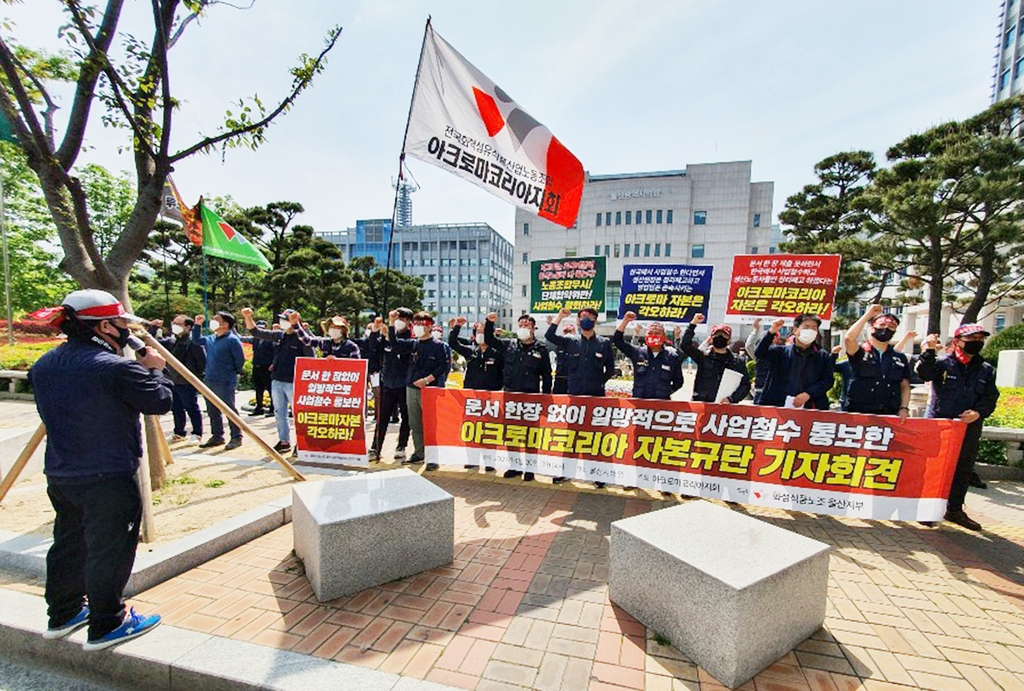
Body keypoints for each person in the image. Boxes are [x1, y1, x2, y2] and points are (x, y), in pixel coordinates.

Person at [29, 290, 169, 650]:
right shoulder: (115, 368)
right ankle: (107, 623)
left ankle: (63, 613)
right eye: (122, 323)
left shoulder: (43, 366)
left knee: (68, 544)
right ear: (104, 326)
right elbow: (159, 401)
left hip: (61, 473)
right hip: (109, 476)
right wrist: (154, 370)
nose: (126, 330)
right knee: (109, 550)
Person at [917, 325, 999, 531]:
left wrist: (978, 413)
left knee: (962, 469)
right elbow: (924, 373)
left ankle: (954, 510)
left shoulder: (986, 369)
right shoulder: (942, 364)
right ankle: (927, 510)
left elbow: (990, 398)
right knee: (936, 469)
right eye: (971, 338)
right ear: (957, 342)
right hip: (941, 425)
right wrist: (928, 350)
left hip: (968, 428)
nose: (977, 341)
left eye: (980, 338)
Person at [546, 307, 615, 486]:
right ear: (577, 321)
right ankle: (565, 472)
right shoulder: (571, 341)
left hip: (596, 397)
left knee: (595, 437)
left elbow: (611, 369)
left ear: (595, 321)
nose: (586, 319)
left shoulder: (604, 343)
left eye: (590, 317)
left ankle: (598, 475)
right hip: (575, 396)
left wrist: (599, 381)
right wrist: (559, 317)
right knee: (572, 436)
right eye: (583, 317)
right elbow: (550, 336)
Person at [485, 312, 552, 481]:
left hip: (531, 398)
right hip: (510, 397)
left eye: (526, 325)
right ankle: (514, 466)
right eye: (520, 325)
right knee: (511, 433)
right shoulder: (509, 345)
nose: (523, 327)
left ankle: (530, 469)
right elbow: (490, 339)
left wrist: (545, 397)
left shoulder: (541, 349)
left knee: (530, 435)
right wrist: (489, 323)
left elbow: (547, 375)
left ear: (533, 328)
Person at [241, 308, 313, 454]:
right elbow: (256, 332)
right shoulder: (280, 335)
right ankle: (284, 441)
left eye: (287, 319)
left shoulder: (303, 338)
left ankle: (302, 443)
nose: (283, 322)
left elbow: (310, 358)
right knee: (279, 412)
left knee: (300, 415)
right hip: (277, 380)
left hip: (294, 382)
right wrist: (248, 317)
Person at [388, 310, 450, 470]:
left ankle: (433, 458)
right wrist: (391, 323)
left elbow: (442, 366)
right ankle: (419, 452)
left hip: (430, 389)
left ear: (430, 327)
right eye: (415, 324)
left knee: (431, 424)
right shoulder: (413, 343)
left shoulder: (439, 346)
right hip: (411, 387)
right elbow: (395, 344)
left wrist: (427, 380)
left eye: (422, 324)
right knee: (415, 423)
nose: (417, 327)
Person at [449, 317, 503, 472]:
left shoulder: (498, 353)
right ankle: (472, 460)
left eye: (483, 331)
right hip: (472, 399)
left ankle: (490, 461)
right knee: (471, 429)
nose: (480, 334)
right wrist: (457, 327)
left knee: (490, 431)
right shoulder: (471, 351)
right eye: (477, 332)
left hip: (492, 399)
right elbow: (453, 343)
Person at [843, 305, 911, 419]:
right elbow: (848, 338)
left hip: (889, 413)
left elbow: (905, 386)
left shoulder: (899, 358)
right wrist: (868, 315)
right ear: (872, 327)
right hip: (858, 413)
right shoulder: (860, 351)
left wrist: (904, 408)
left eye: (891, 326)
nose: (886, 329)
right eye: (882, 325)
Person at [754, 314, 834, 410]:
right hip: (777, 406)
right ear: (795, 330)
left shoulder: (823, 356)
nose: (810, 331)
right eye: (806, 327)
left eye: (814, 328)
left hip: (810, 408)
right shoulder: (780, 352)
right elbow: (759, 353)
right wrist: (771, 332)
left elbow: (827, 381)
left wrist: (808, 394)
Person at [192, 311, 245, 449]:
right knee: (212, 409)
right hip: (209, 378)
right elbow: (196, 340)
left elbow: (239, 360)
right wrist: (197, 325)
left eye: (216, 320)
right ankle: (217, 435)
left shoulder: (232, 340)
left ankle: (236, 436)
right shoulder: (211, 338)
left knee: (229, 409)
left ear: (226, 324)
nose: (212, 322)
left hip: (225, 380)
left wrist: (233, 373)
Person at [371, 308, 414, 462]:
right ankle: (375, 447)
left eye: (402, 318)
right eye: (396, 318)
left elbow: (397, 345)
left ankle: (401, 446)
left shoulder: (411, 339)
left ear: (409, 322)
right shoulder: (386, 335)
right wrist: (375, 331)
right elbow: (373, 350)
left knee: (406, 418)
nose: (398, 321)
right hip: (387, 383)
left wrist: (389, 331)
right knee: (381, 418)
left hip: (404, 384)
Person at [679, 314, 751, 404]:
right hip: (702, 405)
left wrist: (732, 399)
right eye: (716, 335)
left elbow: (745, 385)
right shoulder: (703, 357)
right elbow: (685, 345)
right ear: (711, 338)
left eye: (724, 335)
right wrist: (693, 324)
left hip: (726, 407)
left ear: (729, 340)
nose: (720, 338)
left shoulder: (737, 361)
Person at [159, 314, 206, 442]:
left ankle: (197, 433)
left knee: (191, 407)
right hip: (172, 380)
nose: (175, 326)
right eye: (174, 323)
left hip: (187, 380)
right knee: (176, 408)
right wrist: (153, 328)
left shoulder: (192, 343)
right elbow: (154, 342)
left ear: (188, 327)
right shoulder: (172, 341)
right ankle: (179, 432)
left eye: (179, 324)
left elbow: (201, 362)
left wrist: (196, 377)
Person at [245, 320, 276, 417]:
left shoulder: (271, 339)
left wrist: (273, 364)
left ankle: (272, 408)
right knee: (258, 389)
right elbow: (241, 338)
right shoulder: (254, 339)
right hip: (257, 366)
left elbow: (277, 353)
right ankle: (259, 408)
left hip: (267, 367)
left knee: (270, 389)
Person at [550, 318, 578, 395]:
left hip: (575, 380)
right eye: (566, 332)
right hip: (560, 379)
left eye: (570, 331)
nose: (568, 334)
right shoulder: (559, 345)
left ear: (574, 332)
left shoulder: (579, 344)